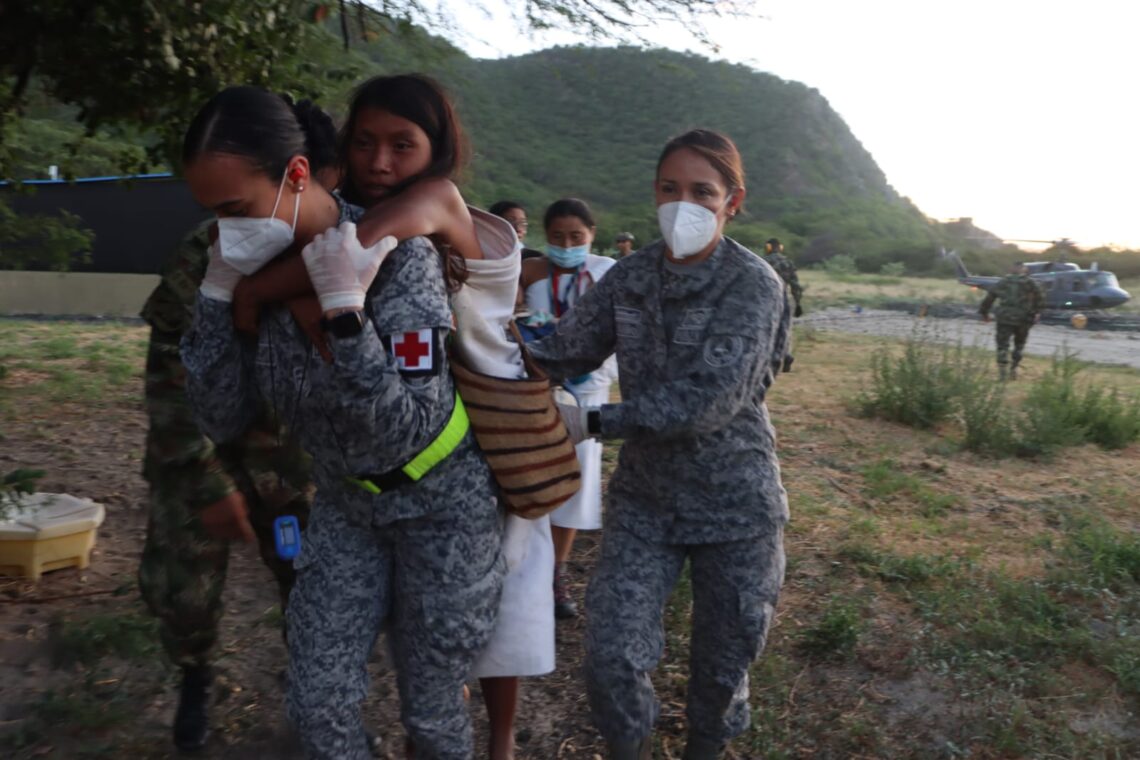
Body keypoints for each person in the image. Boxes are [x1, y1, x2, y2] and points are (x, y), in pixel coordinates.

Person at [230, 74, 555, 760]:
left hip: (491, 445)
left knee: (466, 660)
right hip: (398, 461)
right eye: (366, 142)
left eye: (402, 145)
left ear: (437, 153)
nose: (380, 161)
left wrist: (254, 289)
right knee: (427, 668)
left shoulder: (435, 201)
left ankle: (495, 744)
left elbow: (341, 257)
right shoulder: (387, 205)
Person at [528, 129, 790, 760]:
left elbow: (708, 401)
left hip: (737, 508)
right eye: (670, 189)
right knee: (610, 656)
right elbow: (560, 353)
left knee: (723, 670)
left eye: (703, 191)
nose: (684, 204)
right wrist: (477, 331)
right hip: (647, 506)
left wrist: (589, 424)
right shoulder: (631, 277)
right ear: (654, 193)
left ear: (733, 201)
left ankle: (706, 747)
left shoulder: (754, 285)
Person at [136, 96, 340, 754]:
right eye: (212, 212)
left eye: (237, 208)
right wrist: (204, 478)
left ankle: (309, 693)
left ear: (294, 176)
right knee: (184, 593)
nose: (225, 228)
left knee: (308, 589)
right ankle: (195, 673)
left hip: (287, 464)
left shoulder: (336, 252)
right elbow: (167, 373)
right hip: (200, 449)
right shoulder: (201, 258)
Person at [520, 198, 618, 620]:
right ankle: (527, 568)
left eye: (576, 237)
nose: (567, 245)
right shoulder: (532, 274)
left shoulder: (606, 273)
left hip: (590, 389)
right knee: (534, 474)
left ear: (592, 236)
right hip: (541, 388)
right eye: (557, 237)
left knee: (576, 481)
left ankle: (557, 572)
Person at [979, 263, 1045, 379]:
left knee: (1002, 345)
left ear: (1011, 269)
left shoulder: (1003, 282)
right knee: (1019, 345)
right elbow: (1040, 298)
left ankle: (1002, 372)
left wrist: (984, 312)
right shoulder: (1030, 283)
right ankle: (1013, 369)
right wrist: (1037, 312)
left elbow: (989, 298)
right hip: (1023, 318)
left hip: (1005, 318)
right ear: (1023, 270)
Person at [763, 238, 802, 372]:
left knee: (766, 330)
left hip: (766, 300)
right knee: (784, 329)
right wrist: (798, 303)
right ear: (781, 247)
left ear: (768, 247)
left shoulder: (763, 262)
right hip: (783, 299)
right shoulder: (787, 263)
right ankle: (786, 354)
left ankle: (770, 358)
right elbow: (795, 285)